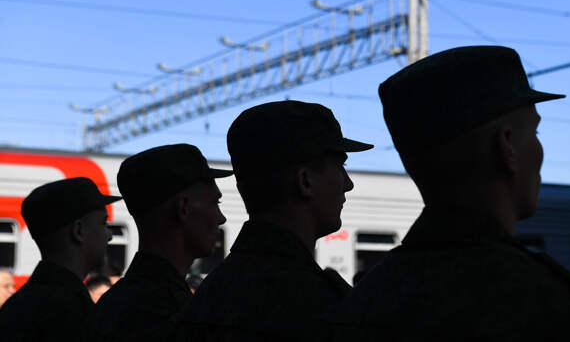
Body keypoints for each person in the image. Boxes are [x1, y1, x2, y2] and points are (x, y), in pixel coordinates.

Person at [328, 46, 570, 341]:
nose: (540, 150)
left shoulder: (363, 301)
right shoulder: (552, 303)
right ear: (507, 146)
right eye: (535, 133)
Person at [176, 100, 373, 341]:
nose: (348, 184)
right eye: (340, 166)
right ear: (305, 181)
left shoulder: (206, 298)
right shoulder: (325, 307)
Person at [86, 143, 232, 341]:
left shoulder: (112, 304)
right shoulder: (171, 311)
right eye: (215, 203)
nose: (221, 218)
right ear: (184, 208)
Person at [0, 177, 120, 341]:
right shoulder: (74, 312)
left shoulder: (15, 306)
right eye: (103, 223)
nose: (110, 235)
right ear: (79, 231)